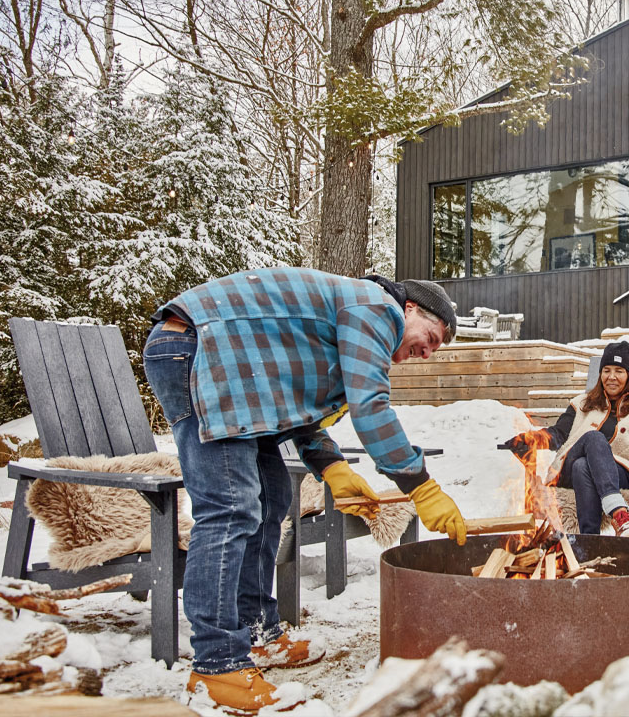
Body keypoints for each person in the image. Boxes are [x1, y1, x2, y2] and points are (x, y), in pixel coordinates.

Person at [143, 268, 467, 713]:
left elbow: (298, 406)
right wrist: (420, 486)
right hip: (199, 349)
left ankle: (257, 633)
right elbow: (369, 403)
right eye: (433, 336)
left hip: (237, 372)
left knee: (273, 497)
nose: (428, 352)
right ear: (410, 308)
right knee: (231, 507)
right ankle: (216, 663)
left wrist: (332, 467)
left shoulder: (352, 319)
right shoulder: (376, 307)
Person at [501, 340, 629, 538]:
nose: (612, 377)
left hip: (621, 472)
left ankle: (589, 542)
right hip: (567, 471)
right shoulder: (581, 404)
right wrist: (532, 437)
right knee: (593, 438)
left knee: (583, 466)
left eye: (619, 371)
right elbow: (558, 433)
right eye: (606, 370)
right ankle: (619, 513)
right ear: (600, 375)